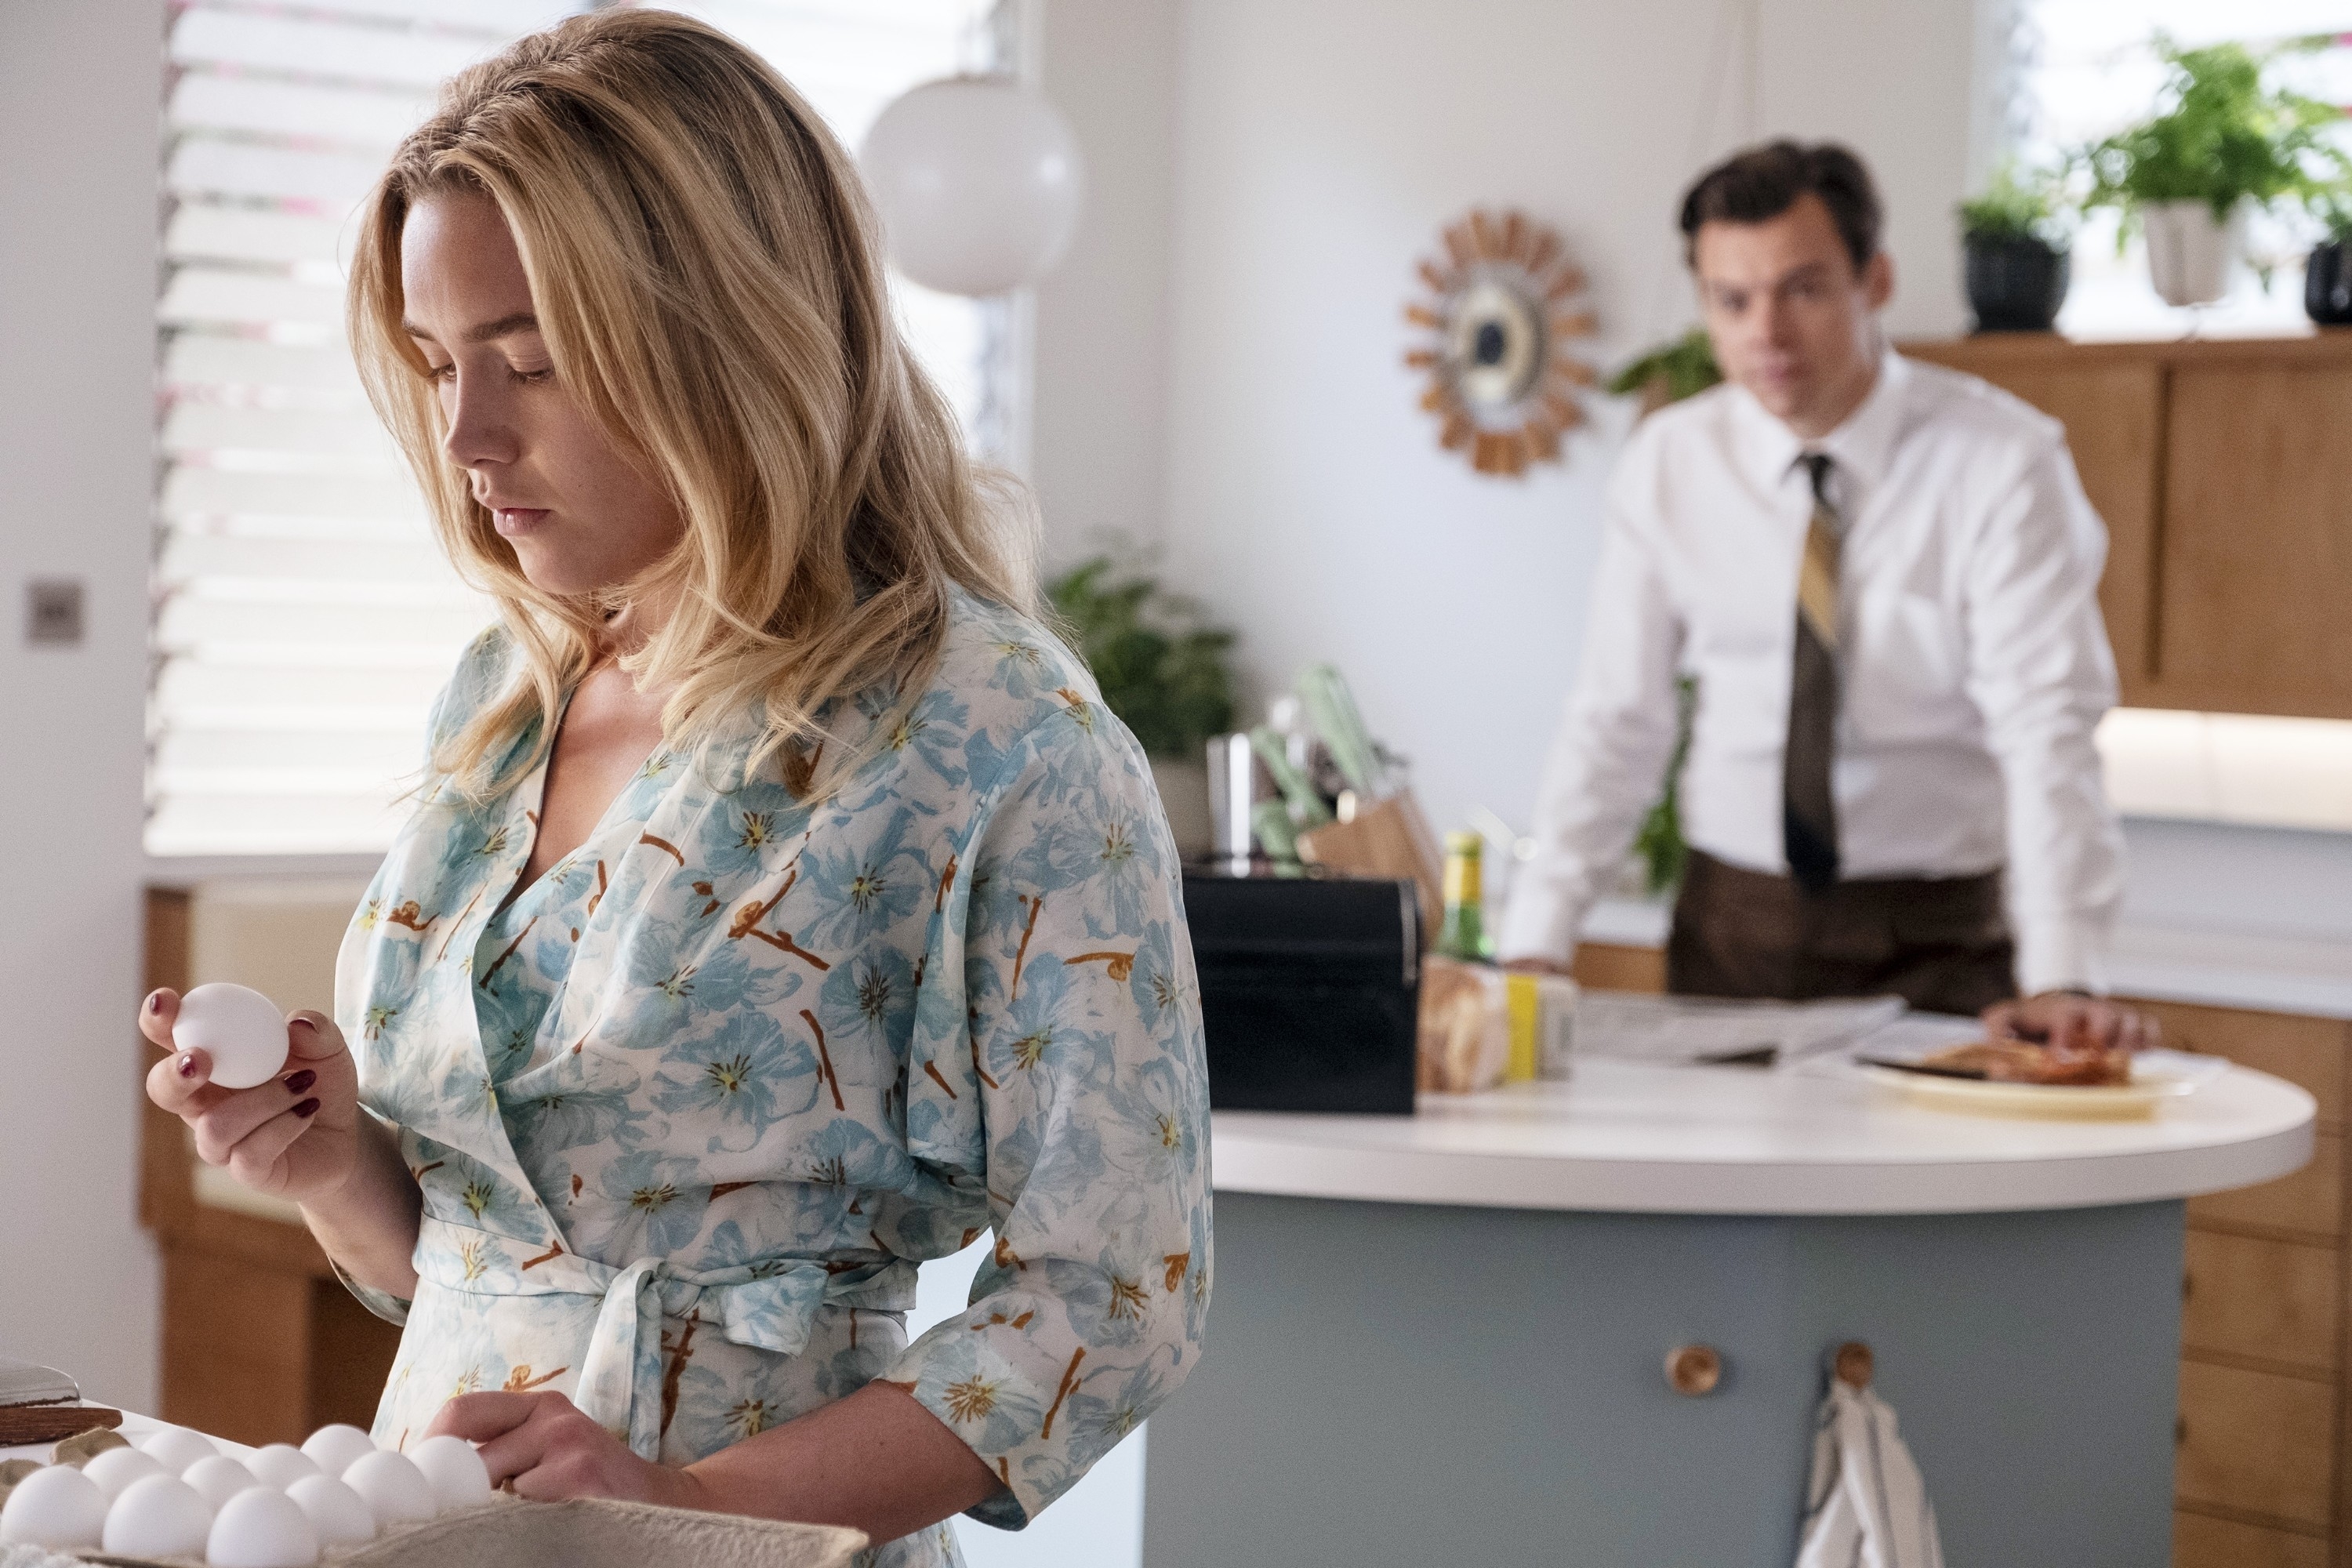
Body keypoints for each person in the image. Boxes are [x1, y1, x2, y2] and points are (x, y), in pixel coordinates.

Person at [136, 13, 1210, 1563]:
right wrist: (323, 1157)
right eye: (438, 365)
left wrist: (686, 1503)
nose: (466, 435)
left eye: (532, 362)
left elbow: (1114, 1307)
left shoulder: (998, 736)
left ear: (731, 332)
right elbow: (485, 1257)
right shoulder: (502, 704)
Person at [1500, 140, 2152, 1052]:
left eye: (1801, 289)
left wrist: (2065, 972)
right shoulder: (1670, 464)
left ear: (1873, 280)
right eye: (1732, 300)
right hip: (1731, 933)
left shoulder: (2003, 463)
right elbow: (1618, 718)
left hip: (1940, 940)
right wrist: (1536, 941)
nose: (1765, 332)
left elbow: (2046, 728)